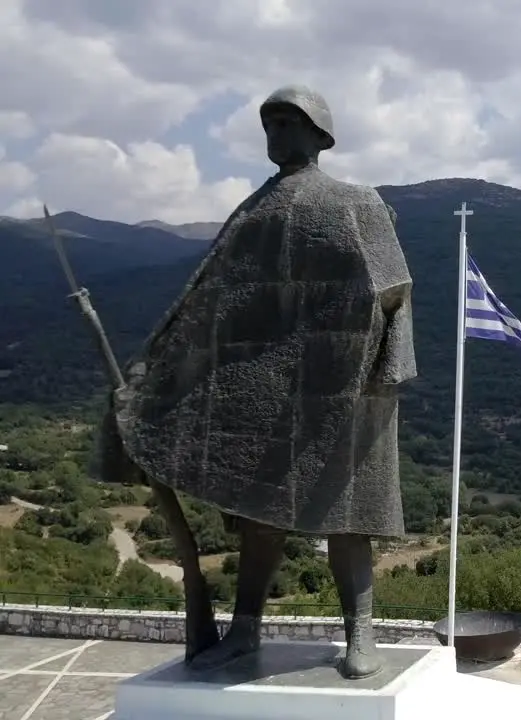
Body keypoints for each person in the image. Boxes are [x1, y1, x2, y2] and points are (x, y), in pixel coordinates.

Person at [103, 85, 416, 679]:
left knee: (346, 514)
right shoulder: (254, 211)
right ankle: (245, 631)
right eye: (268, 123)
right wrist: (153, 377)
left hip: (346, 387)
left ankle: (362, 634)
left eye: (288, 122)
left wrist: (391, 370)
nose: (276, 133)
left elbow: (396, 292)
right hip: (270, 394)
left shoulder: (357, 201)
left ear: (321, 134)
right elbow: (208, 304)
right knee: (259, 516)